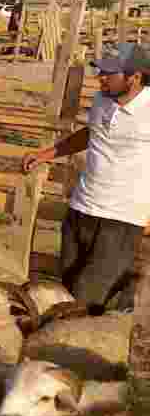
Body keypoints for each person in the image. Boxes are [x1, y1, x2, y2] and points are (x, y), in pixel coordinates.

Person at [23, 43, 150, 312]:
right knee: (68, 290)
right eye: (100, 71)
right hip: (81, 209)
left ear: (135, 77)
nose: (101, 77)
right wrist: (48, 153)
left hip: (122, 218)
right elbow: (91, 133)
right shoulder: (101, 100)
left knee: (85, 300)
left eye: (109, 73)